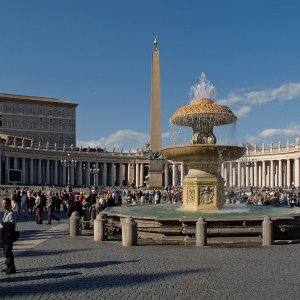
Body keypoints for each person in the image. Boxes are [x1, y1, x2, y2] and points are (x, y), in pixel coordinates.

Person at [0, 198, 17, 275]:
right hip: (4, 236)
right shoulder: (6, 213)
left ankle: (12, 268)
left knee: (8, 252)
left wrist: (2, 225)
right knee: (5, 251)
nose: (3, 205)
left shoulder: (11, 214)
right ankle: (7, 265)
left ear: (9, 204)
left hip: (8, 236)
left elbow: (12, 224)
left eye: (4, 203)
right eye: (2, 203)